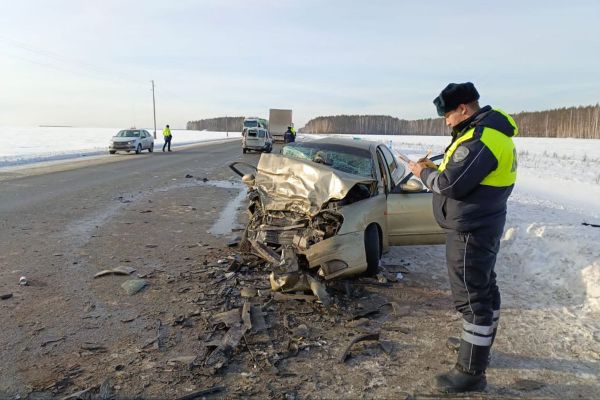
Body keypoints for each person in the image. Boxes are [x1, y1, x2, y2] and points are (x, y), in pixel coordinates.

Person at [408, 82, 518, 393]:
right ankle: (479, 346)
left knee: (472, 298)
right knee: (485, 288)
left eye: (447, 116)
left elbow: (449, 185)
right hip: (483, 221)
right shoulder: (487, 134)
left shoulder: (481, 139)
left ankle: (471, 371)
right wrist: (437, 165)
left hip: (471, 229)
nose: (446, 121)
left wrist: (422, 172)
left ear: (463, 109)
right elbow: (460, 172)